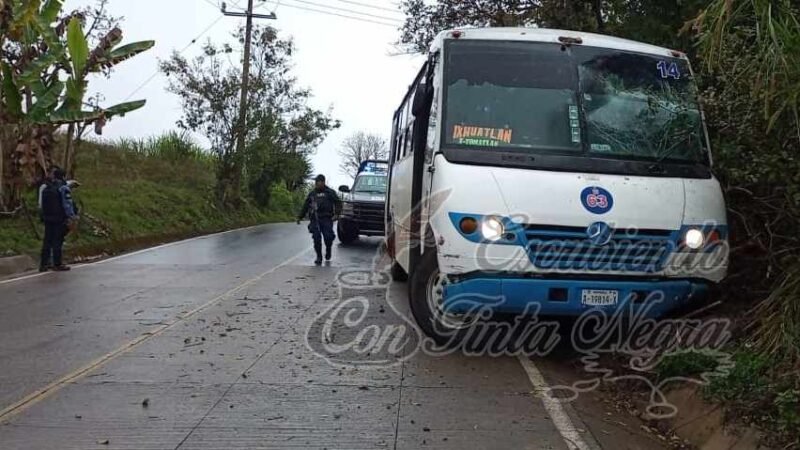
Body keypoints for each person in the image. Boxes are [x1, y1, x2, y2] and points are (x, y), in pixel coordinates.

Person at [297, 174, 342, 265]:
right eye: (317, 183)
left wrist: (337, 214)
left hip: (327, 218)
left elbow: (338, 202)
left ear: (323, 182)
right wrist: (300, 217)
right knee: (316, 238)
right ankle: (319, 256)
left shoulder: (330, 192)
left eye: (320, 182)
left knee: (328, 237)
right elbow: (306, 205)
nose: (318, 184)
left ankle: (328, 250)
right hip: (315, 219)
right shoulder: (312, 194)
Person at [39, 167, 78, 272]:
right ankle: (57, 264)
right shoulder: (63, 188)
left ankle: (43, 264)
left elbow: (41, 205)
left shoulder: (46, 188)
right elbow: (67, 204)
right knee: (57, 241)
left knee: (47, 241)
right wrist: (72, 216)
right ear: (64, 176)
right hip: (58, 219)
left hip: (47, 218)